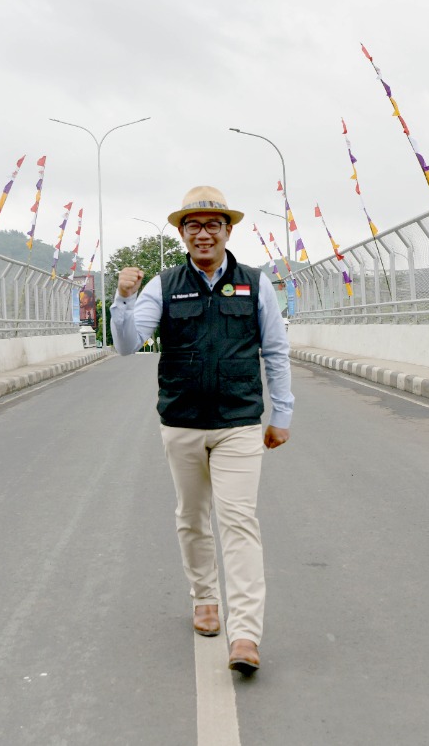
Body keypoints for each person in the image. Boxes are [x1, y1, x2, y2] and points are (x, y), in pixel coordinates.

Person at [112, 185, 293, 675]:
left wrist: (283, 414)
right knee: (193, 517)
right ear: (182, 233)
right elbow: (129, 345)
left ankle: (247, 634)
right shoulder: (163, 285)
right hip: (183, 423)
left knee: (238, 521)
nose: (204, 233)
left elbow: (275, 351)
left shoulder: (255, 283)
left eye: (214, 223)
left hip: (238, 423)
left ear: (228, 230)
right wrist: (122, 300)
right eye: (194, 224)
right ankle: (205, 599)